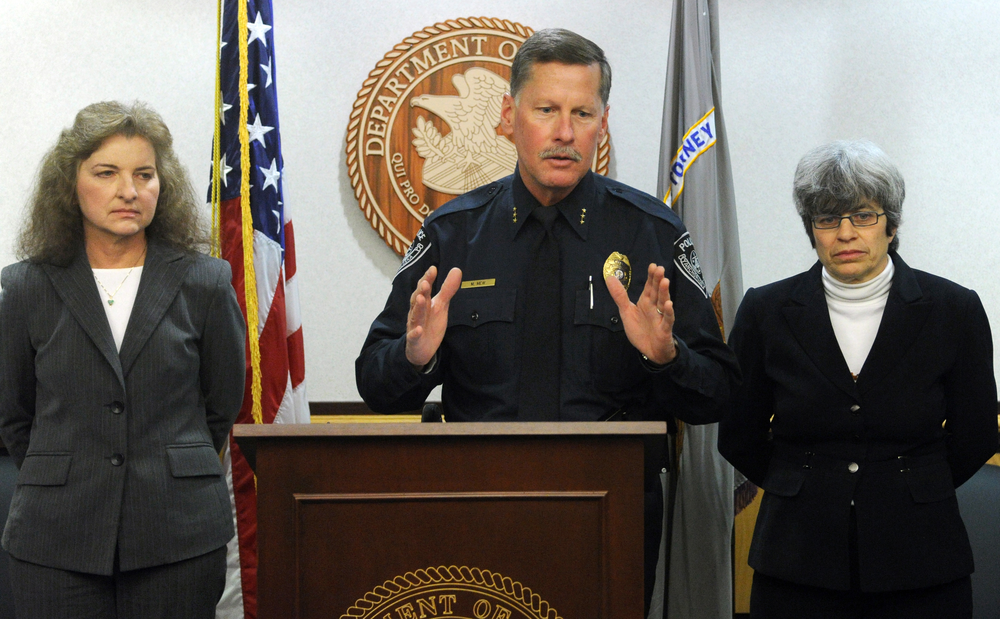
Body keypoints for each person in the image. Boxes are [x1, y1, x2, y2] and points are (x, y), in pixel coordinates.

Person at [356, 28, 738, 608]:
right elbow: (374, 384)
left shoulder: (651, 233)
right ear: (508, 117)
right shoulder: (452, 234)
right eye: (546, 110)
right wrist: (416, 357)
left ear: (602, 124)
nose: (564, 133)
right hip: (475, 509)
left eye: (582, 112)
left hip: (610, 515)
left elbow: (719, 393)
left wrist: (667, 358)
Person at [718, 140, 997, 618]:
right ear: (812, 230)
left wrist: (911, 488)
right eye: (827, 219)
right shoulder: (766, 311)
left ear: (891, 224)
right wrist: (802, 485)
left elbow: (976, 434)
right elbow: (738, 434)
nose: (845, 233)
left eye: (863, 215)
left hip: (921, 559)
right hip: (796, 559)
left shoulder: (954, 309)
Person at [0, 101, 246, 618]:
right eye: (106, 173)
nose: (128, 191)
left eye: (144, 174)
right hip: (55, 539)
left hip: (177, 536)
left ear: (164, 185)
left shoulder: (205, 282)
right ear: (71, 184)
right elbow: (15, 414)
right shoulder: (25, 286)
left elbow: (220, 407)